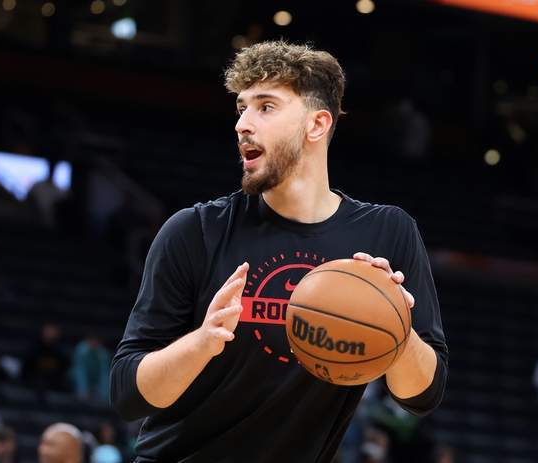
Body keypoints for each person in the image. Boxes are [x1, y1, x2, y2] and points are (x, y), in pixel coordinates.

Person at [110, 41, 448, 462]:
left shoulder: (387, 233)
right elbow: (128, 395)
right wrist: (202, 342)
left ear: (317, 124)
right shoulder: (195, 231)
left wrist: (396, 325)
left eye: (265, 107)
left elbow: (423, 396)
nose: (242, 124)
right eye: (241, 108)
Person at [70, 334, 111, 403]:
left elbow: (104, 373)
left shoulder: (103, 353)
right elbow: (80, 372)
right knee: (77, 373)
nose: (94, 343)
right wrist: (83, 391)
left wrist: (104, 395)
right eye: (92, 341)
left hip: (96, 383)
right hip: (78, 381)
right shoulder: (81, 350)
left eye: (96, 341)